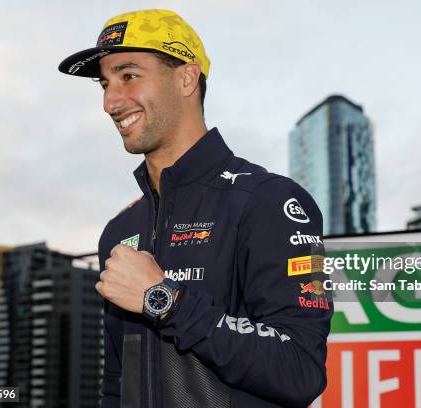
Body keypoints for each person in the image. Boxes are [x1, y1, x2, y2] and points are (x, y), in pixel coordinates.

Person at [58, 9, 332, 408]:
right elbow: (117, 386)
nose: (110, 102)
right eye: (105, 83)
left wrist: (164, 299)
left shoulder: (272, 201)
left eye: (128, 75)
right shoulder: (119, 230)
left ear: (186, 77)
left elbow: (301, 369)